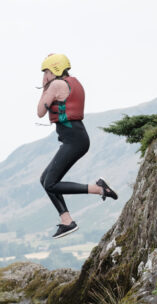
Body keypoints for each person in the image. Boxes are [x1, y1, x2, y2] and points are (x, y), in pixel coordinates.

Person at [37, 53, 118, 239]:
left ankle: (99, 188)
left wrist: (44, 88)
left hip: (74, 139)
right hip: (76, 137)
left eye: (46, 72)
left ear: (55, 70)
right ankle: (67, 221)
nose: (44, 76)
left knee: (50, 183)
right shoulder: (72, 82)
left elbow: (40, 111)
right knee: (45, 180)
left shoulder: (56, 85)